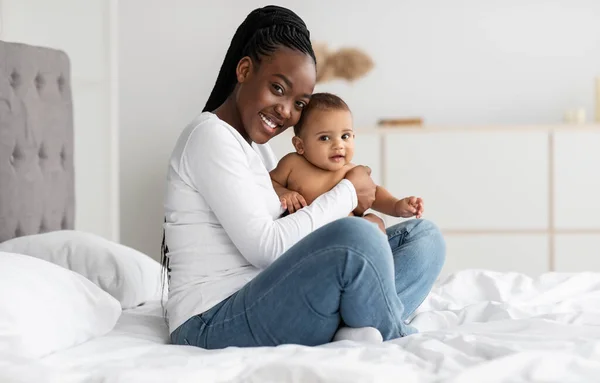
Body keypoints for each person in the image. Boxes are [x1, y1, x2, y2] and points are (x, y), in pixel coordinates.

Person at [162, 5, 445, 349]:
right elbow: (265, 248)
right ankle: (391, 333)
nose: (285, 111)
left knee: (423, 237)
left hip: (274, 296)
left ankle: (355, 324)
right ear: (245, 69)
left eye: (299, 103)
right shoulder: (210, 136)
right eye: (278, 89)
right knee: (357, 237)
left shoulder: (258, 149)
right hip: (212, 319)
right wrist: (347, 193)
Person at [270, 92, 424, 234]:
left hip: (350, 238)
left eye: (345, 136)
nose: (339, 145)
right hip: (311, 241)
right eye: (325, 138)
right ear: (300, 145)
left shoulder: (350, 171)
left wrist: (397, 206)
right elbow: (268, 182)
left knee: (374, 221)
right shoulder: (292, 164)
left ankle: (375, 252)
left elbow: (374, 194)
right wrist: (283, 192)